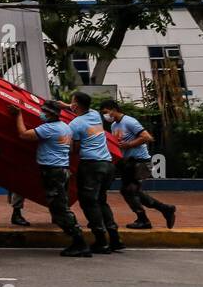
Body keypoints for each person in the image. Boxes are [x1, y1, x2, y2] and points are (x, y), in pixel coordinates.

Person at [14, 101, 90, 257]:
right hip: (61, 169)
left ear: (49, 114)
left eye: (43, 112)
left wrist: (18, 115)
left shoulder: (49, 128)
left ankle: (80, 242)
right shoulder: (65, 127)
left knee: (60, 208)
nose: (40, 114)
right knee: (59, 207)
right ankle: (77, 239)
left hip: (53, 172)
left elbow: (23, 134)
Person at [100, 98, 176, 230]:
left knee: (129, 191)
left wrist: (129, 144)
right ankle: (165, 209)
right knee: (131, 191)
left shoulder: (129, 121)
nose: (106, 116)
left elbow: (147, 137)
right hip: (127, 163)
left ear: (114, 109)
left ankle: (144, 219)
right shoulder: (114, 125)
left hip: (140, 162)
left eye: (106, 112)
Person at [68, 91, 123, 255]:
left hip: (91, 166)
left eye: (72, 102)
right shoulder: (94, 115)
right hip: (107, 164)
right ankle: (115, 239)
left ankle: (101, 241)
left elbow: (76, 149)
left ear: (76, 105)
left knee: (88, 203)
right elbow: (75, 109)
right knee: (101, 200)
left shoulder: (75, 124)